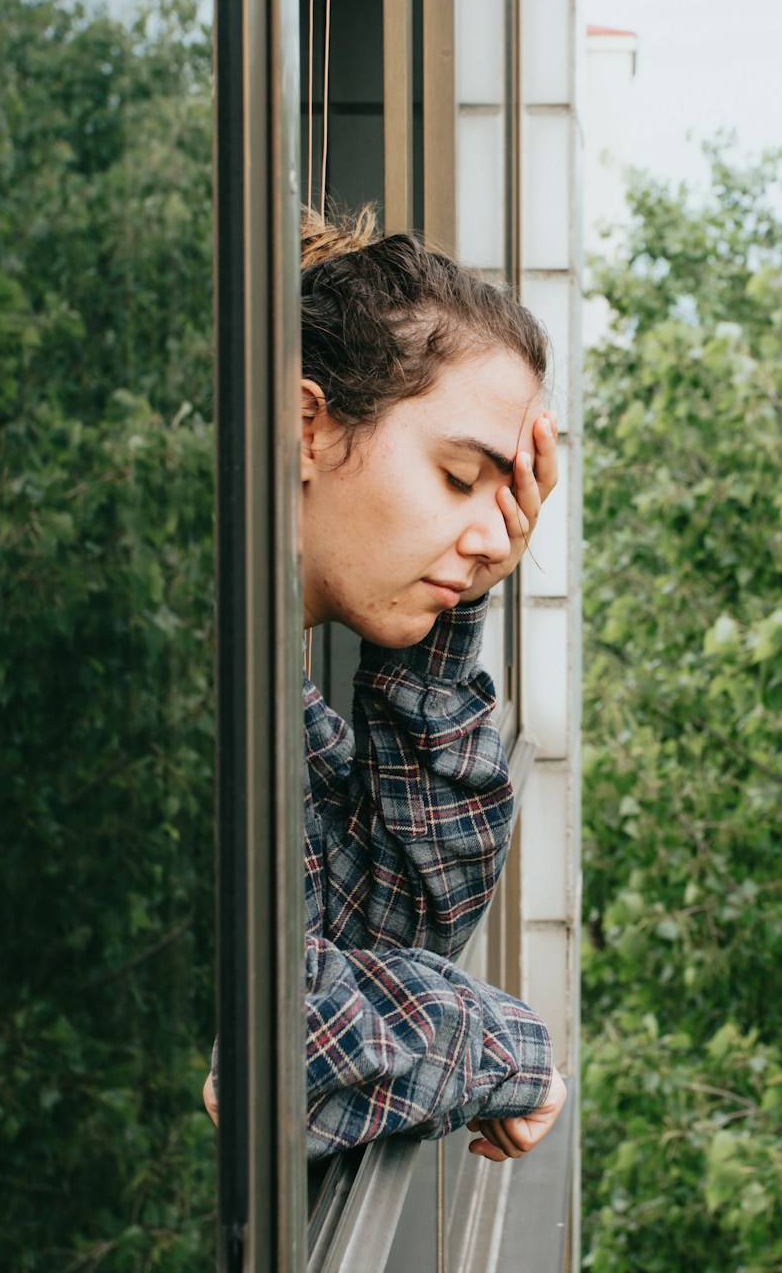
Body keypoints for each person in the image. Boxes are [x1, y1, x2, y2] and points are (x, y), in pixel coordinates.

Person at [203, 207, 566, 1165]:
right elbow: (271, 1034)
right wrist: (506, 1046)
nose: (499, 538)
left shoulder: (270, 676)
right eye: (459, 477)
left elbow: (393, 917)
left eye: (508, 495)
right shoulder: (193, 665)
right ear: (308, 426)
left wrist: (449, 608)